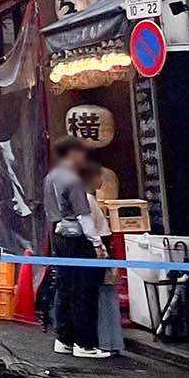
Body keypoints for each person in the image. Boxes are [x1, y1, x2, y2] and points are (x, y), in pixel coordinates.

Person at [42, 137, 114, 360]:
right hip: (77, 239)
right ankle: (85, 343)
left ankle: (63, 338)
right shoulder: (72, 179)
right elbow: (83, 216)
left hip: (59, 236)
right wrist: (97, 244)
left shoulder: (50, 177)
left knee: (65, 289)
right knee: (84, 292)